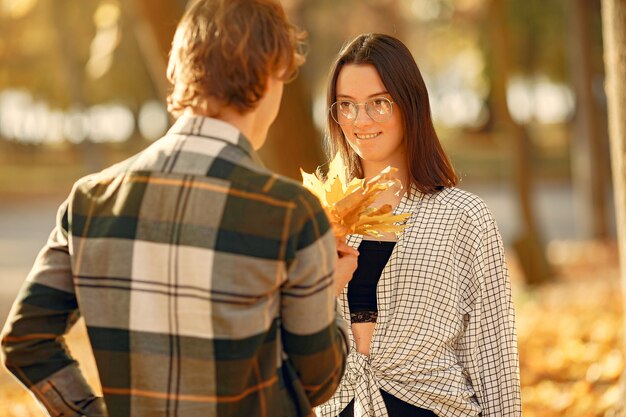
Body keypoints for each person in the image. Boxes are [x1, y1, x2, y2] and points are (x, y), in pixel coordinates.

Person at [1, 1, 358, 416]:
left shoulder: (89, 200)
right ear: (267, 76)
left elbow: (26, 341)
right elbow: (318, 380)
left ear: (181, 70)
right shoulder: (289, 211)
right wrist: (326, 291)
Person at [316, 33, 521, 417]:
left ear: (410, 105)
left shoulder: (464, 218)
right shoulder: (318, 217)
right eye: (346, 105)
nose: (360, 121)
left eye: (379, 103)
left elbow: (494, 359)